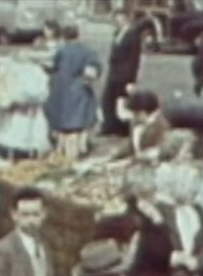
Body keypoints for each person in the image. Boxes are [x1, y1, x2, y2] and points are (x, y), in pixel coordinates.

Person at [44, 25, 100, 160]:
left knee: (63, 122)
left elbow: (53, 66)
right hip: (79, 88)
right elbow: (94, 68)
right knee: (78, 122)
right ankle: (78, 150)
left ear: (64, 37)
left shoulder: (61, 51)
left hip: (61, 89)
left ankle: (61, 150)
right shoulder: (87, 51)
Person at [101, 6, 143, 137]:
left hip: (125, 75)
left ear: (125, 18)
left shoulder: (133, 35)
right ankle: (109, 126)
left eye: (118, 18)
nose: (116, 21)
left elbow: (134, 60)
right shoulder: (117, 33)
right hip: (114, 73)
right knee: (107, 100)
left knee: (123, 103)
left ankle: (122, 129)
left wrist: (132, 80)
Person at [119, 90, 170, 162]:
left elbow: (158, 152)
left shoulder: (161, 126)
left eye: (137, 113)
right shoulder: (135, 122)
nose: (134, 116)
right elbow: (130, 146)